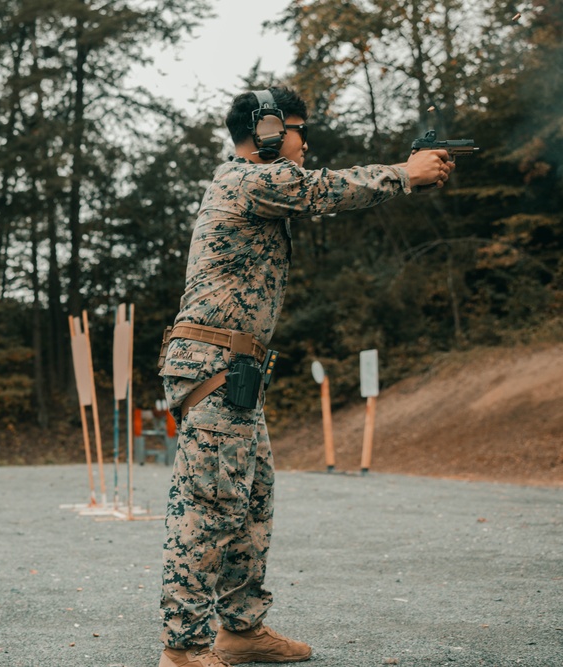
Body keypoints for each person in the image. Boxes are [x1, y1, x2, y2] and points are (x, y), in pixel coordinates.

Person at [157, 88, 454, 666]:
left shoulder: (256, 185)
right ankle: (184, 648)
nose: (303, 140)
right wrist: (404, 173)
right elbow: (323, 189)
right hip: (215, 366)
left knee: (252, 502)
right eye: (295, 128)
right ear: (265, 130)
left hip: (234, 368)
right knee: (211, 505)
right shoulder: (247, 179)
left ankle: (240, 630)